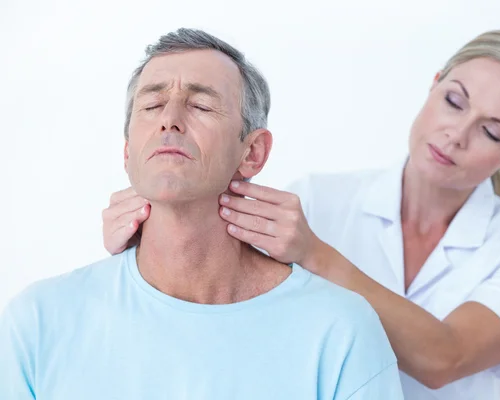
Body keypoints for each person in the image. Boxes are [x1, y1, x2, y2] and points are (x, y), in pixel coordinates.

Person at [103, 29, 500, 399]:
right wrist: (144, 227)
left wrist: (314, 253)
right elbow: (207, 280)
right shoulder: (318, 197)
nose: (457, 134)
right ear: (433, 87)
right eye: (454, 101)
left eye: (491, 132)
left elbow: (443, 359)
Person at [0, 28, 405, 400]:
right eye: (153, 104)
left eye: (201, 106)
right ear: (128, 152)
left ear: (252, 152)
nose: (169, 121)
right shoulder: (39, 321)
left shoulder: (339, 332)